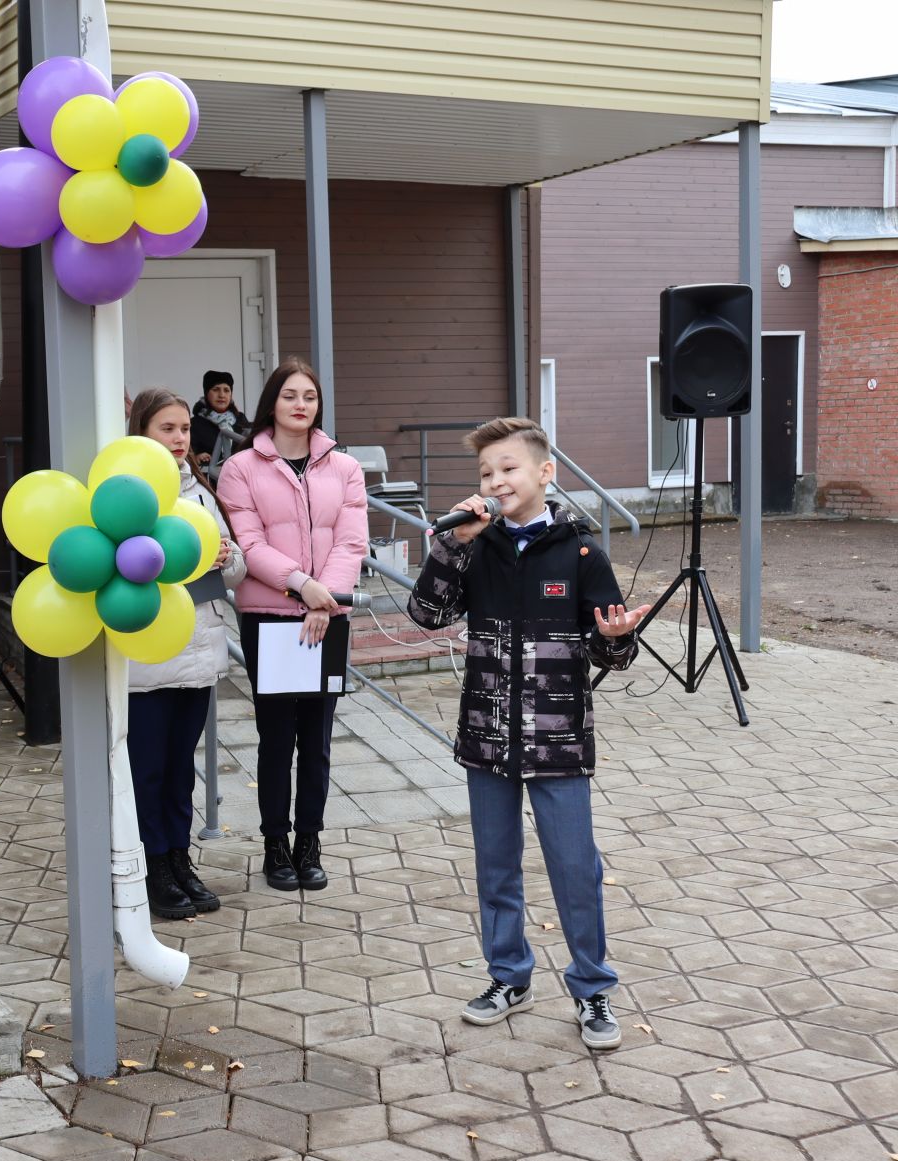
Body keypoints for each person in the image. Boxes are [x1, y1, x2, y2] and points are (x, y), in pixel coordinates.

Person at [405, 416, 647, 1051]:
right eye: (486, 472)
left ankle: (592, 988)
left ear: (545, 473)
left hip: (558, 739)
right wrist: (453, 543)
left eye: (508, 468)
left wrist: (618, 639)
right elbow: (427, 613)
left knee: (574, 867)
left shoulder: (582, 551)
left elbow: (612, 653)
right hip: (486, 736)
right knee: (495, 865)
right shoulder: (474, 546)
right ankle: (508, 977)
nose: (496, 480)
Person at [215, 357, 367, 894]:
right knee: (276, 739)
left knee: (319, 740)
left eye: (309, 396)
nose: (300, 405)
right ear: (271, 403)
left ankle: (310, 843)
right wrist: (303, 586)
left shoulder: (344, 467)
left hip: (327, 618)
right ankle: (274, 844)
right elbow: (249, 545)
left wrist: (325, 601)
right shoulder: (240, 468)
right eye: (289, 396)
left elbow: (351, 542)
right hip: (271, 618)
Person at [123, 387, 247, 920]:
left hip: (200, 651)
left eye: (183, 429)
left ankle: (179, 859)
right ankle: (151, 868)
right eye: (166, 429)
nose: (179, 440)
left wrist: (225, 555)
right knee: (147, 771)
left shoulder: (200, 489)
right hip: (148, 657)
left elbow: (236, 566)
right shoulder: (126, 492)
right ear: (141, 433)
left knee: (180, 769)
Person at [190, 371, 251, 479]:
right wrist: (196, 457)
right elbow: (187, 454)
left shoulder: (240, 419)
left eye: (226, 390)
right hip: (208, 482)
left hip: (240, 479)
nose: (222, 395)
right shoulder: (194, 423)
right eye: (216, 389)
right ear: (206, 393)